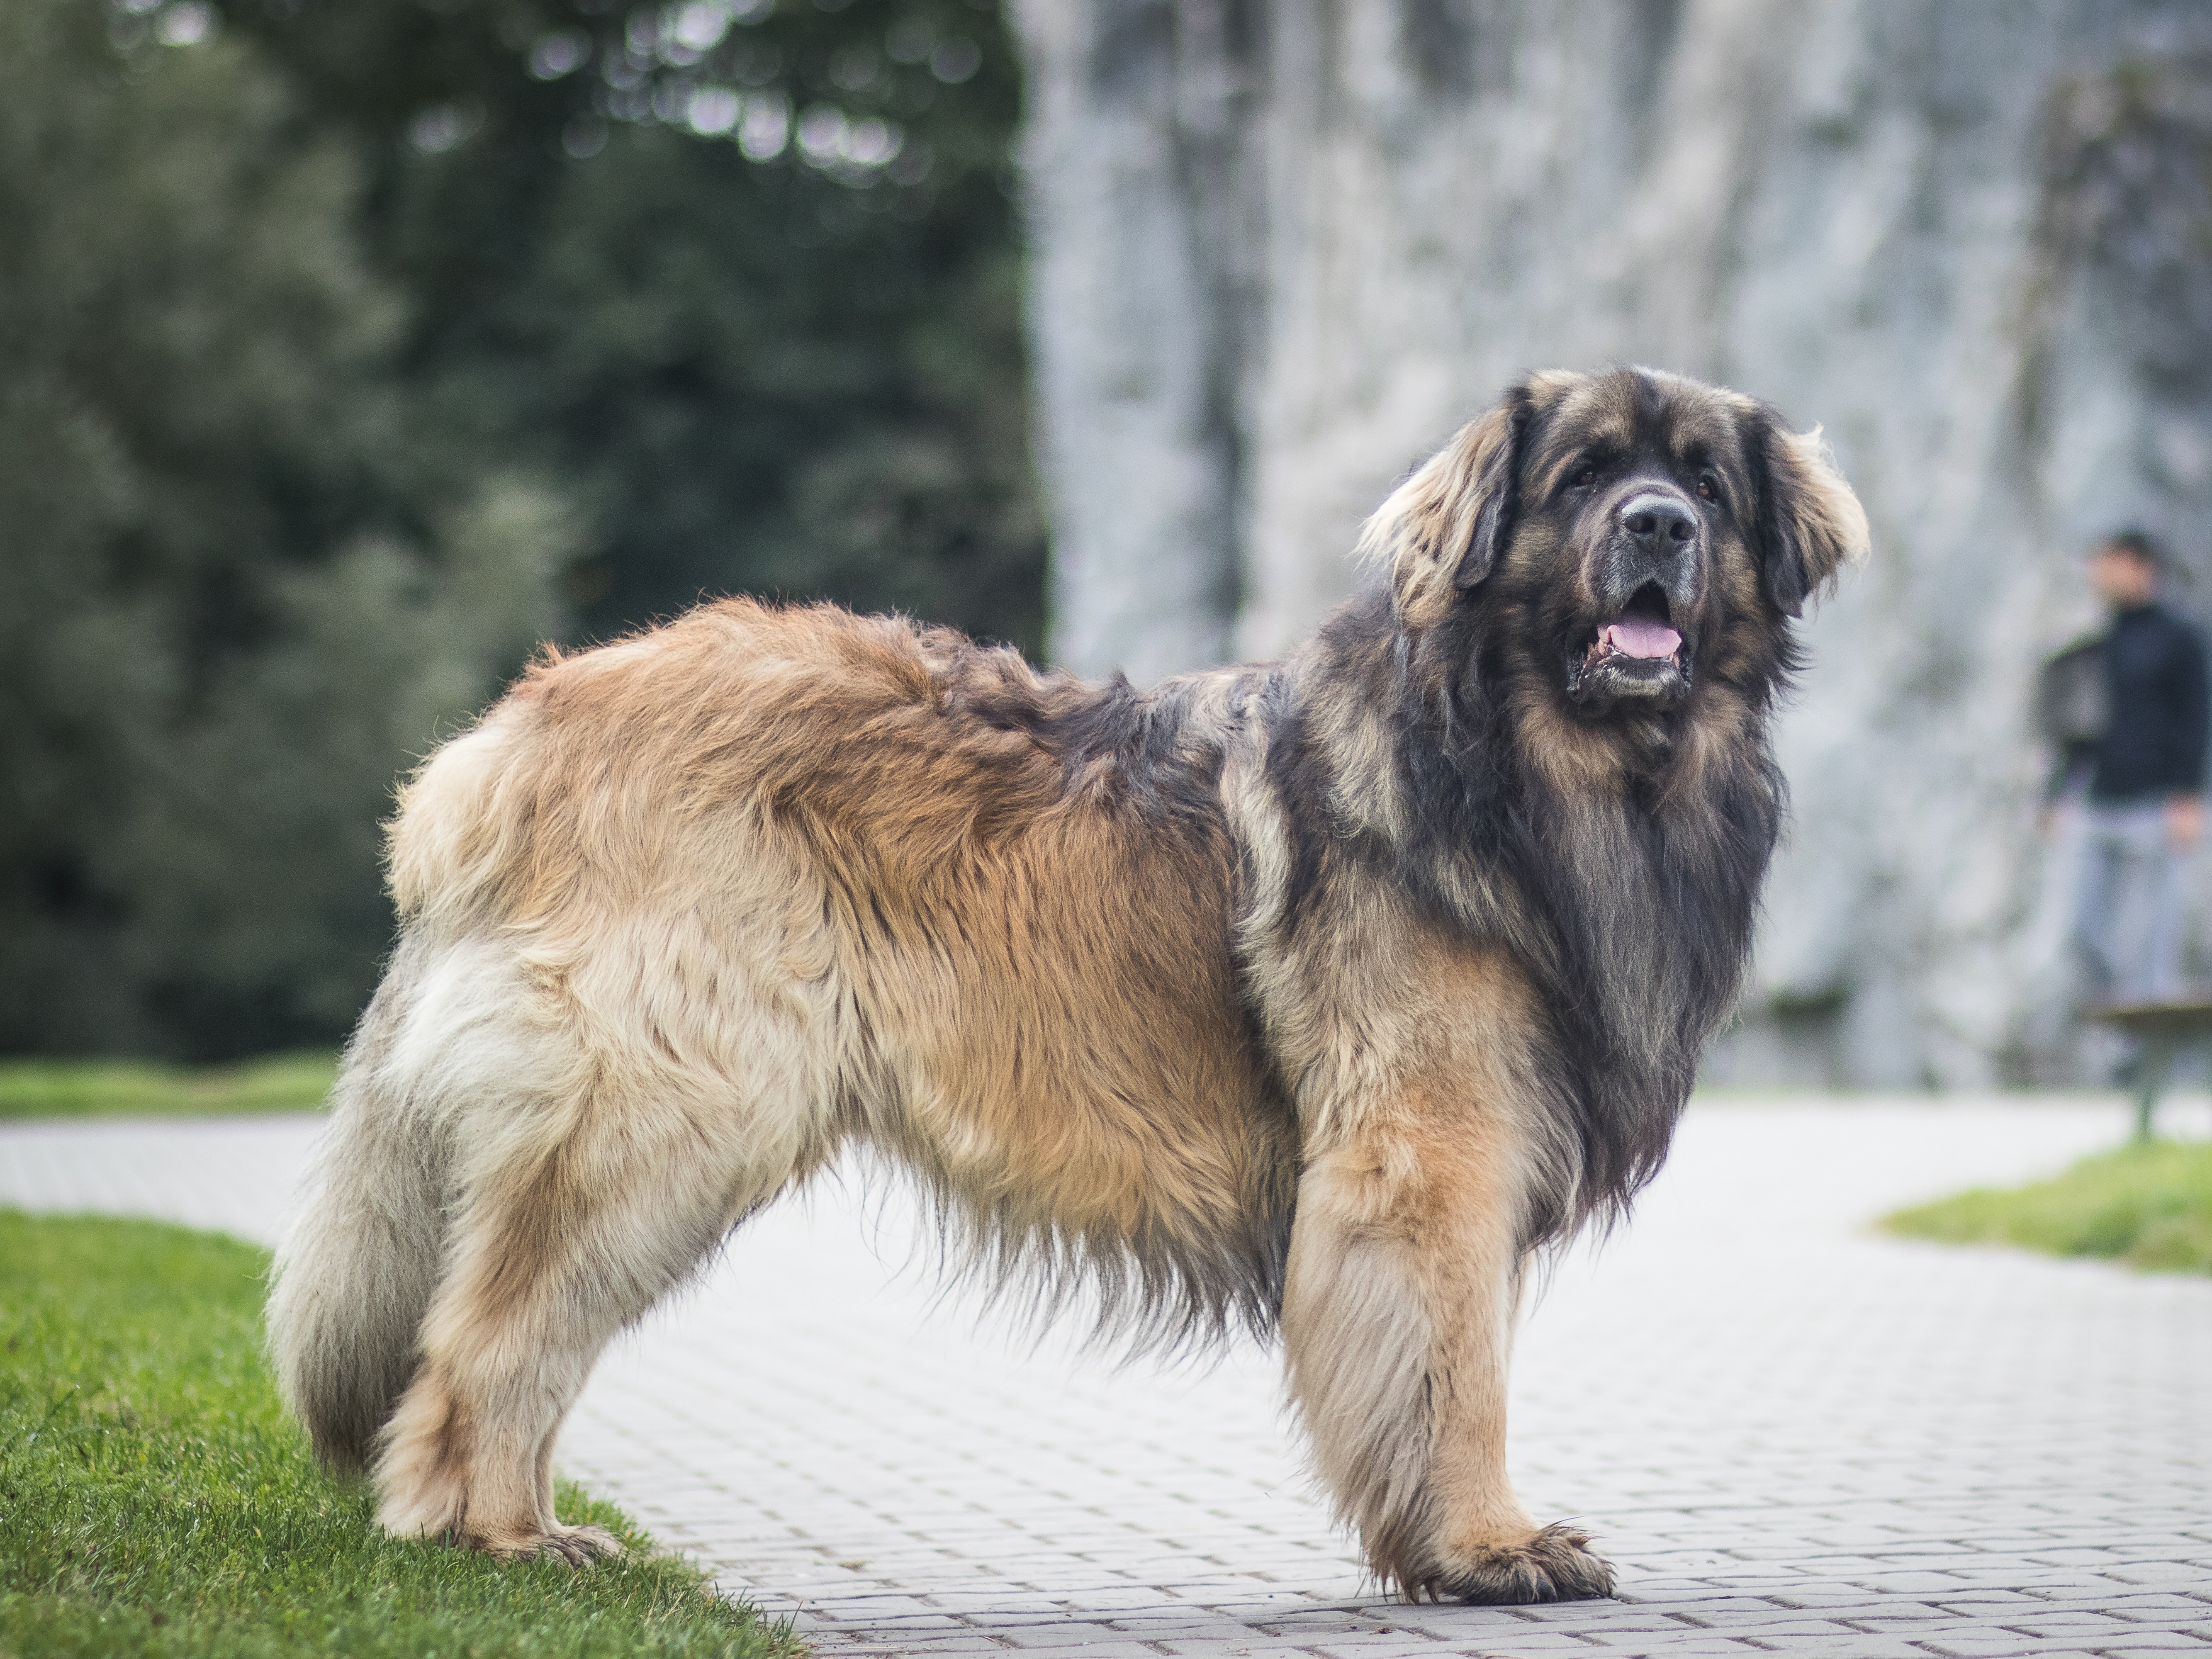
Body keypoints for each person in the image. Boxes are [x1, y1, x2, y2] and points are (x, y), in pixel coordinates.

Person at [2059, 531, 2210, 1007]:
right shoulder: (2100, 636)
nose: (2097, 574)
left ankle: (2145, 1055)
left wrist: (2187, 795)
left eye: (2107, 562)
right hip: (2099, 801)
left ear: (2138, 565)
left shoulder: (2180, 637)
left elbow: (2195, 716)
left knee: (2151, 939)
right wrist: (2056, 792)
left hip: (2156, 803)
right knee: (2080, 927)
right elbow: (2081, 722)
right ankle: (2115, 1032)